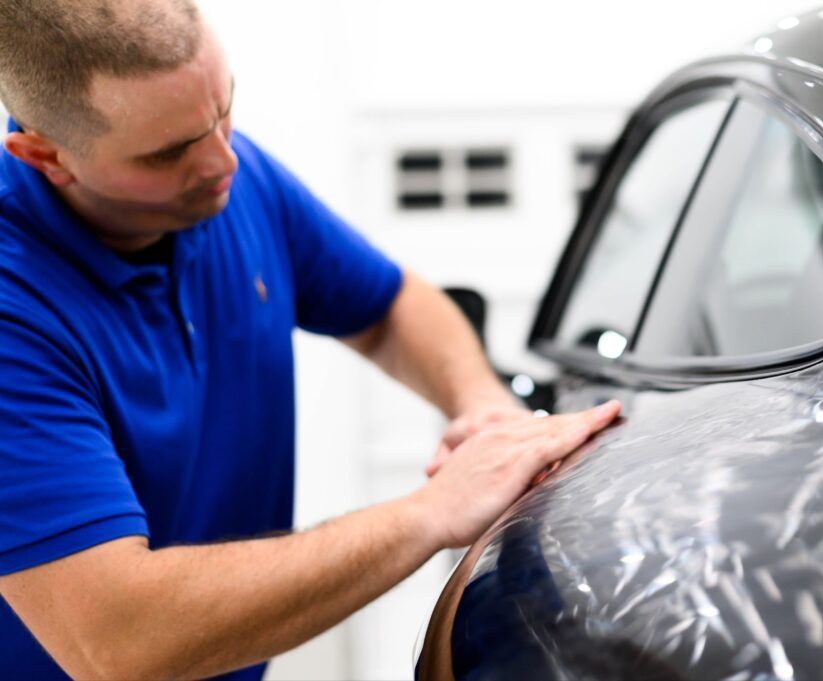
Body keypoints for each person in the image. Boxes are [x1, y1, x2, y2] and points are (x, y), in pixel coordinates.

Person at [0, 1, 621, 678]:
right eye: (170, 151)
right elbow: (119, 639)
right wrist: (432, 512)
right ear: (44, 156)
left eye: (223, 108)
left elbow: (391, 308)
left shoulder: (236, 183)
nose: (220, 159)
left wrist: (485, 409)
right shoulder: (16, 307)